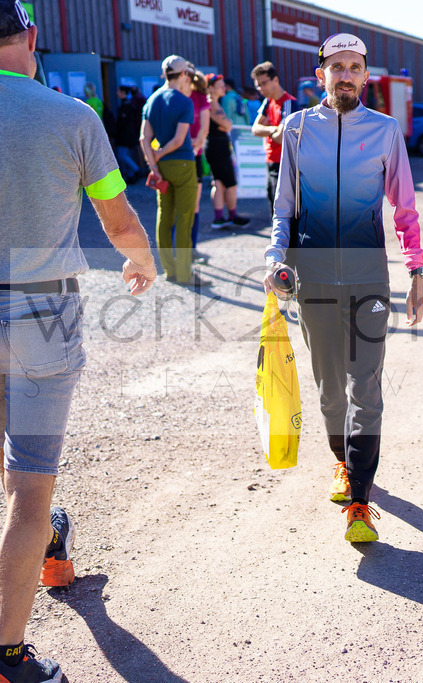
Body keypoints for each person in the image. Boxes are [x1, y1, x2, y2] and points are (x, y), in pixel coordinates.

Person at [0, 3, 158, 680]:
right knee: (31, 485)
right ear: (32, 36)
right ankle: (7, 653)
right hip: (42, 310)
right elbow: (116, 215)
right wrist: (143, 260)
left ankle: (48, 541)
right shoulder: (72, 117)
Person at [264, 32, 423, 544]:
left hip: (368, 278)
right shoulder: (296, 128)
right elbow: (283, 208)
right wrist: (275, 258)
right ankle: (341, 461)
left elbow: (404, 208)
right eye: (338, 67)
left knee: (366, 388)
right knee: (330, 390)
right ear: (322, 75)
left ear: (365, 74)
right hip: (311, 278)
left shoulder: (385, 131)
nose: (347, 74)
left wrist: (416, 272)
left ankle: (360, 499)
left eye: (356, 66)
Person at [141, 55, 206, 287]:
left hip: (162, 169)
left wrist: (154, 165)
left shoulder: (151, 101)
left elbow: (144, 138)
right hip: (183, 164)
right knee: (184, 217)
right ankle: (185, 273)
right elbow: (180, 140)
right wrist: (159, 155)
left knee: (164, 217)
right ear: (184, 75)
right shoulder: (184, 101)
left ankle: (169, 271)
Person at [250, 61, 297, 222]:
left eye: (264, 83)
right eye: (258, 85)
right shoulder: (268, 102)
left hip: (285, 164)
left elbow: (281, 137)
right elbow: (255, 129)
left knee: (284, 212)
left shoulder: (289, 103)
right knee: (273, 210)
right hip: (270, 162)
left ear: (275, 80)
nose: (261, 88)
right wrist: (272, 129)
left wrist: (270, 130)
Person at [204, 74, 249, 230]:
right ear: (210, 88)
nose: (224, 87)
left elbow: (226, 125)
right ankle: (230, 216)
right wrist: (226, 124)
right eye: (220, 85)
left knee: (219, 183)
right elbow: (227, 124)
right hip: (217, 147)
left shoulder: (213, 103)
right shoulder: (211, 104)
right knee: (228, 182)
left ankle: (222, 217)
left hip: (215, 146)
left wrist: (226, 125)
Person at [187, 71, 210, 259]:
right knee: (173, 206)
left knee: (193, 205)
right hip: (175, 156)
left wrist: (193, 143)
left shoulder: (200, 97)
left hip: (193, 156)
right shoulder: (174, 96)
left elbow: (204, 129)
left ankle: (191, 248)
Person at [114, 85, 145, 184]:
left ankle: (136, 170)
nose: (116, 93)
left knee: (122, 156)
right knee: (123, 155)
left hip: (125, 136)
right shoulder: (125, 104)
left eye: (118, 91)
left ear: (123, 92)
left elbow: (124, 122)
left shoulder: (127, 105)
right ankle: (131, 175)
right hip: (125, 135)